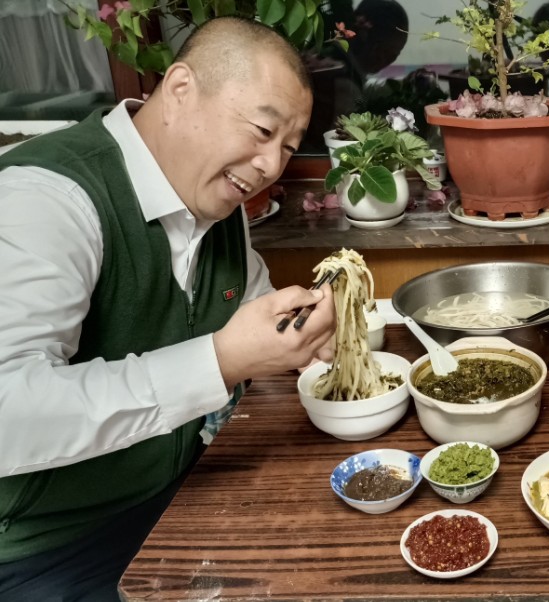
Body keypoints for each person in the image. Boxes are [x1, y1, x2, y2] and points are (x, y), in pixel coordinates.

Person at [0, 17, 337, 600]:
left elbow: (259, 319)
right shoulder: (47, 196)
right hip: (46, 547)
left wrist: (308, 340)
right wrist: (220, 361)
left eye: (287, 146)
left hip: (181, 497)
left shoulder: (218, 201)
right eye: (261, 130)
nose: (270, 165)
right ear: (181, 90)